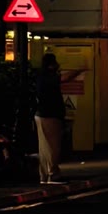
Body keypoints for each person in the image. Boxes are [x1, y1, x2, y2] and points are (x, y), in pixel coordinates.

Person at [34, 54, 66, 186]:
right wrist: (80, 70)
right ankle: (53, 174)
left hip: (41, 114)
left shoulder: (40, 77)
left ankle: (44, 175)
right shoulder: (49, 77)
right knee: (53, 146)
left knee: (44, 147)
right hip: (50, 115)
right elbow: (63, 78)